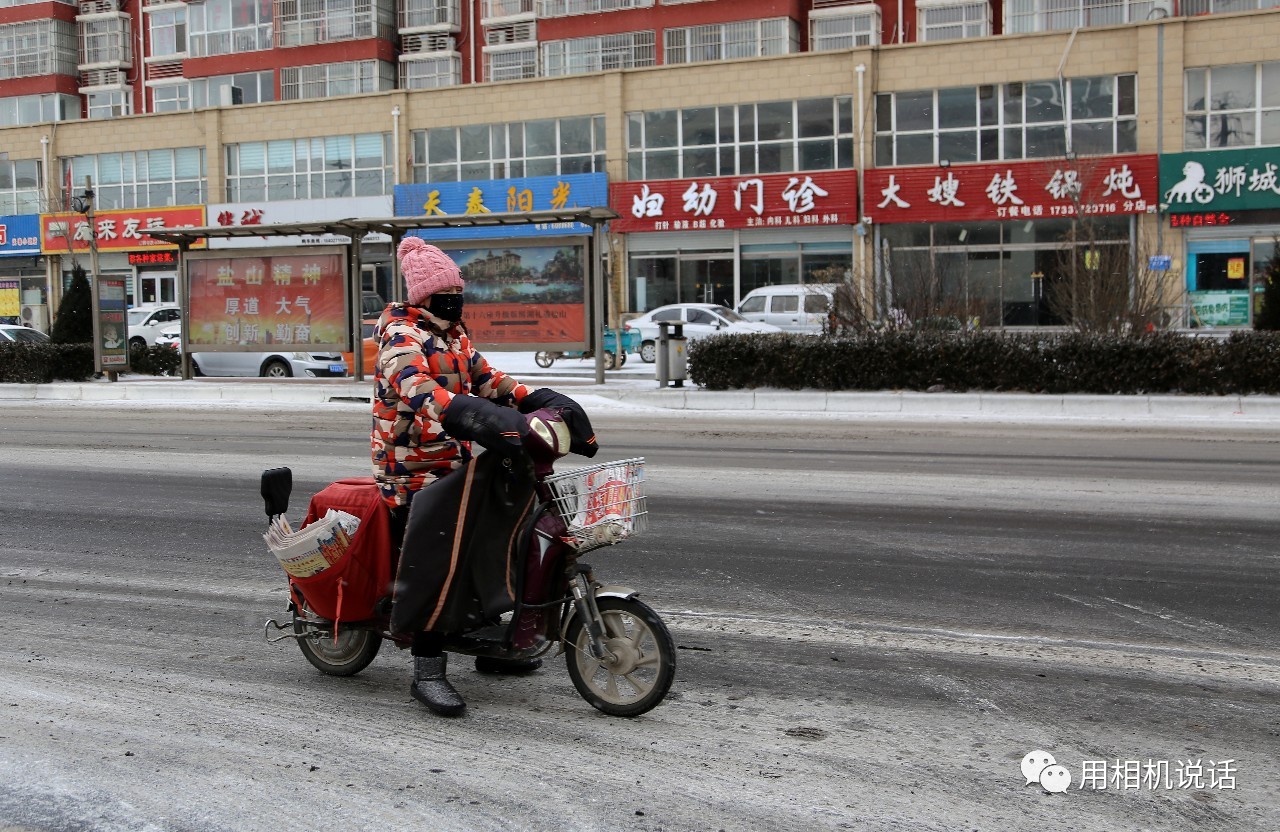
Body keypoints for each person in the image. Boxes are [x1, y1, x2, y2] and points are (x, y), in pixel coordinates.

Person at [372, 236, 543, 717]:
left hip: (454, 459)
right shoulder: (402, 336)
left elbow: (488, 379)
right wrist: (465, 412)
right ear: (423, 295)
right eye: (447, 290)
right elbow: (416, 386)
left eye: (457, 289)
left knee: (488, 540)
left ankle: (487, 639)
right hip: (411, 467)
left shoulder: (454, 336)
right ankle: (427, 669)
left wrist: (533, 399)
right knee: (433, 560)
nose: (456, 297)